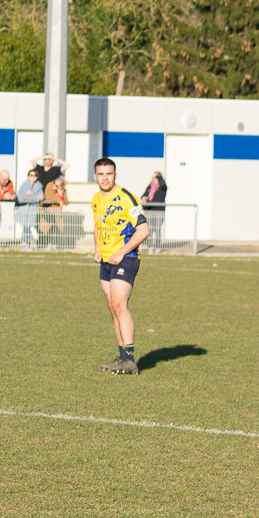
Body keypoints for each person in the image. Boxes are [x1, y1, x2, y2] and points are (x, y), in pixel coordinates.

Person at [90, 158, 149, 375]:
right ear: (95, 176)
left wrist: (120, 252)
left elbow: (143, 230)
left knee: (119, 304)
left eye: (109, 174)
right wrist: (98, 248)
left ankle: (130, 359)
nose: (105, 178)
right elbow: (98, 226)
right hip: (107, 260)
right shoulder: (96, 199)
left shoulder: (126, 198)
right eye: (101, 174)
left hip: (127, 257)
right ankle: (123, 357)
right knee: (112, 307)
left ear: (115, 175)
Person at [15, 167, 43, 247]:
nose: (33, 177)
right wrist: (36, 197)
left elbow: (41, 196)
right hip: (23, 208)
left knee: (28, 224)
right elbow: (23, 197)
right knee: (26, 224)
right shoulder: (24, 185)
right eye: (31, 175)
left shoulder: (39, 185)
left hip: (32, 208)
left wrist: (32, 194)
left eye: (35, 175)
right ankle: (26, 240)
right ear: (28, 176)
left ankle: (28, 240)